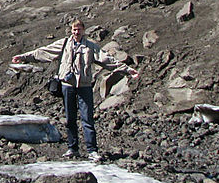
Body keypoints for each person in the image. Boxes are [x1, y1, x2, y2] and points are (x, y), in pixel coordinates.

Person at [12, 19, 138, 162]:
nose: (76, 32)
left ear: (83, 30)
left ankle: (92, 150)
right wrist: (24, 57)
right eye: (74, 30)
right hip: (67, 86)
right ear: (71, 31)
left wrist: (127, 70)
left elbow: (107, 60)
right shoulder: (64, 44)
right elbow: (44, 52)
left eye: (78, 30)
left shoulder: (90, 47)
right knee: (70, 119)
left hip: (84, 86)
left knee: (87, 119)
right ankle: (73, 148)